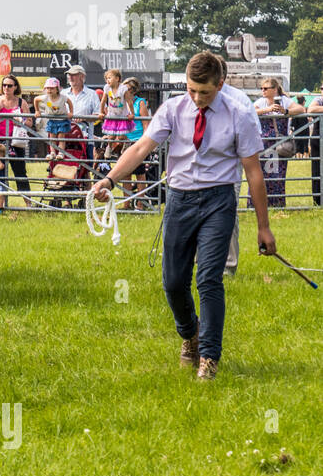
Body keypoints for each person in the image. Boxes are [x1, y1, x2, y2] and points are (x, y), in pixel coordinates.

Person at [92, 51, 275, 380]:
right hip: (179, 200)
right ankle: (189, 334)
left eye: (204, 92)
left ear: (220, 84)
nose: (197, 98)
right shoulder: (174, 108)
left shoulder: (240, 112)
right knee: (173, 282)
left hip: (219, 200)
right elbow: (140, 148)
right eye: (192, 90)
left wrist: (264, 228)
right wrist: (110, 180)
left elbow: (253, 173)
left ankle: (209, 356)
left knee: (208, 279)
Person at [253, 77, 303, 208]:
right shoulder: (261, 102)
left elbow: (301, 109)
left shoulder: (285, 101)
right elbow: (251, 111)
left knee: (278, 173)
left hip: (280, 143)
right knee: (263, 173)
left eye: (265, 88)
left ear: (274, 89)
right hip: (265, 143)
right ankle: (260, 204)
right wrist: (267, 110)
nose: (263, 91)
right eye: (262, 89)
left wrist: (286, 111)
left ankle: (277, 204)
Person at [0, 75, 33, 207]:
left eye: (10, 85)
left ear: (15, 87)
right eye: (4, 85)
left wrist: (21, 120)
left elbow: (30, 122)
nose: (6, 88)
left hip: (15, 142)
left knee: (20, 173)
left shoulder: (21, 102)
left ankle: (28, 204)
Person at [120, 77, 152, 208]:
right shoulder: (121, 103)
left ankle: (140, 204)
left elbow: (146, 124)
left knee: (140, 174)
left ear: (132, 90)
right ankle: (126, 204)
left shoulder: (140, 103)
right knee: (125, 173)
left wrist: (144, 143)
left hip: (137, 141)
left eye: (125, 88)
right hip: (125, 141)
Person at [64, 64, 101, 158]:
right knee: (64, 165)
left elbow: (98, 114)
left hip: (86, 137)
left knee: (86, 167)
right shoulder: (62, 93)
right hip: (64, 136)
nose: (70, 77)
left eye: (74, 75)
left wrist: (84, 118)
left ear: (82, 76)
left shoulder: (92, 94)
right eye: (69, 75)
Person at [34, 77, 74, 152]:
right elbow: (36, 99)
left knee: (61, 137)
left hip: (62, 120)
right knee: (52, 138)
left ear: (57, 89)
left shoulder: (62, 97)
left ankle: (61, 153)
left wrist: (71, 112)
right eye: (47, 88)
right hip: (52, 120)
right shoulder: (45, 98)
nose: (49, 90)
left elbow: (69, 102)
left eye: (52, 88)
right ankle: (52, 152)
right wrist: (37, 111)